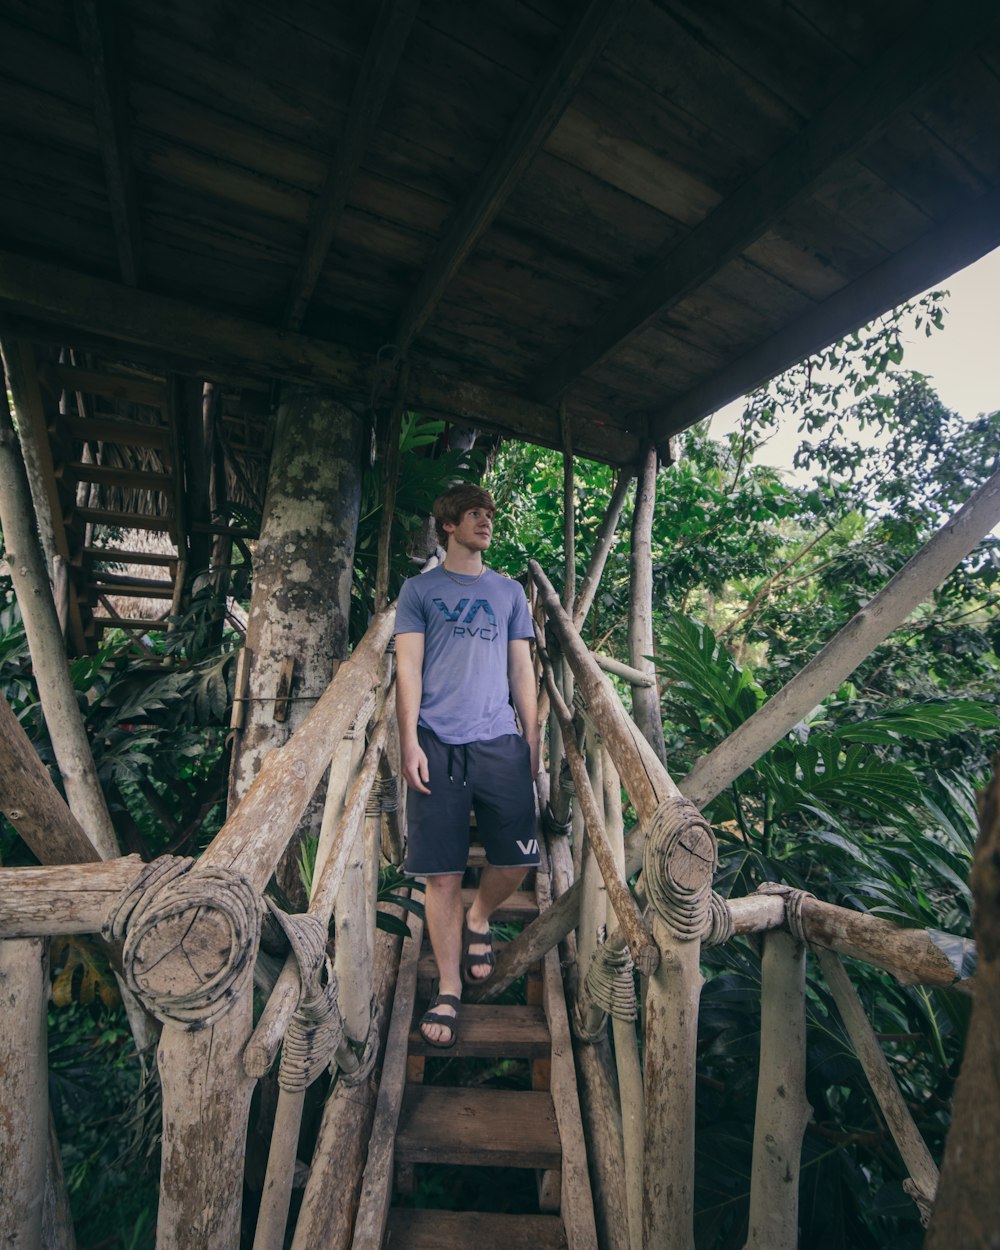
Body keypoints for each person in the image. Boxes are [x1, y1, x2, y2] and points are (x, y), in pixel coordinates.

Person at [394, 483, 539, 1047]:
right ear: (448, 525)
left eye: (489, 515)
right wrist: (408, 741)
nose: (485, 522)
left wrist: (532, 738)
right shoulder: (419, 590)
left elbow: (522, 670)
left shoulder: (508, 593)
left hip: (499, 738)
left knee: (518, 861)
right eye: (474, 514)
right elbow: (408, 669)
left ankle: (480, 916)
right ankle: (449, 987)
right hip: (435, 741)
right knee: (442, 874)